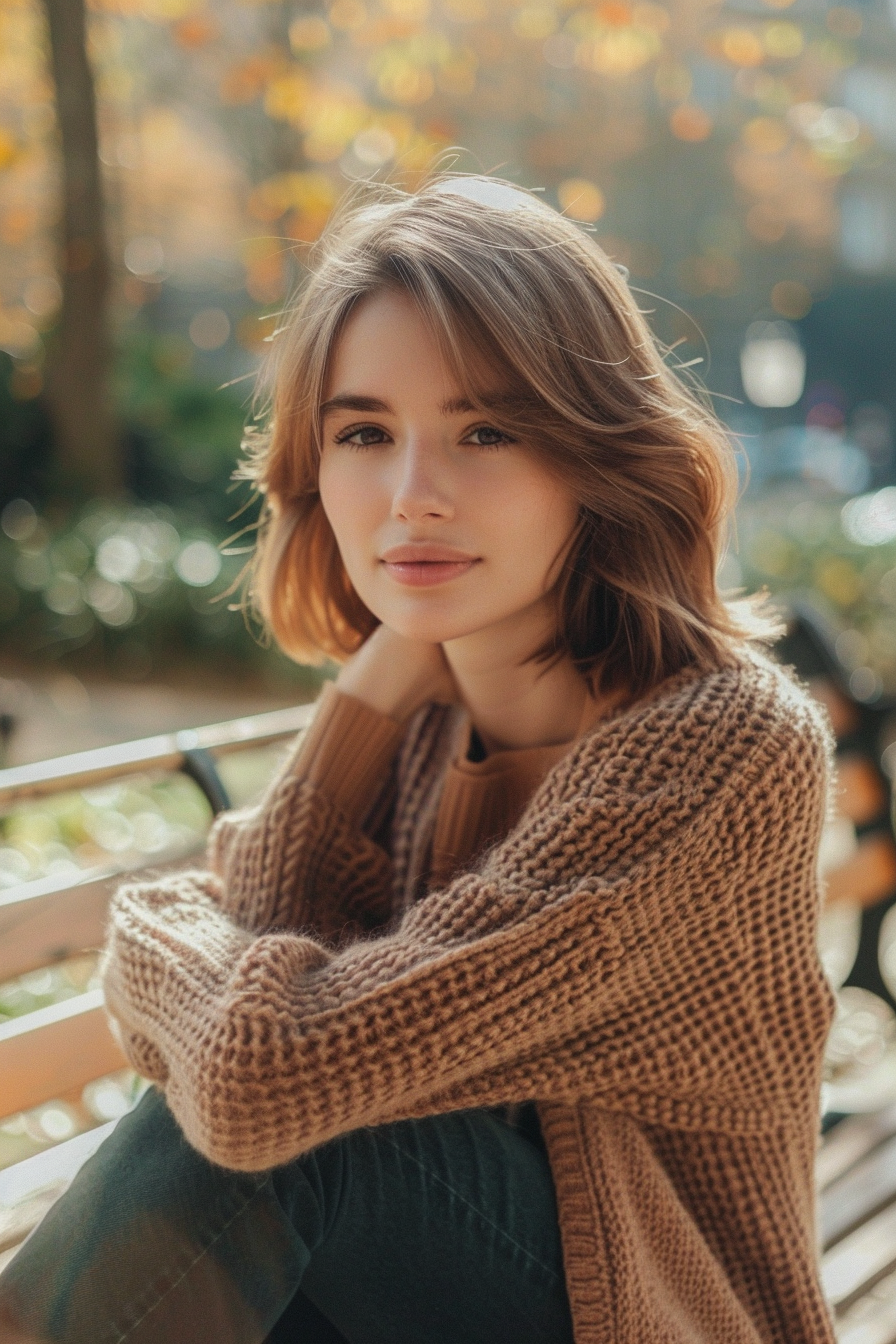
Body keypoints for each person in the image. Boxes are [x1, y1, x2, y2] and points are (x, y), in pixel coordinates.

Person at [0, 175, 838, 1344]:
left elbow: (262, 1082)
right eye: (363, 433)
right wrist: (372, 684)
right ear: (314, 468)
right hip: (406, 1291)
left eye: (485, 431)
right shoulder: (428, 717)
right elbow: (264, 947)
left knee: (294, 1131)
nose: (411, 497)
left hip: (651, 1311)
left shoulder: (716, 747)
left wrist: (157, 929)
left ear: (595, 451)